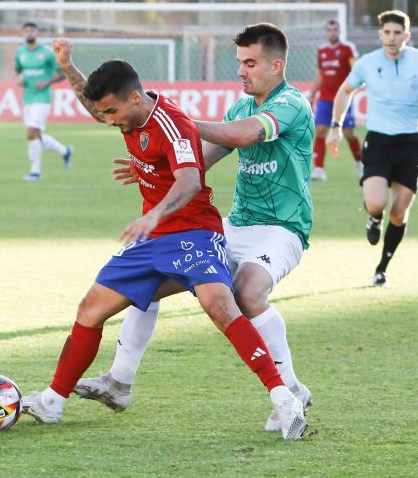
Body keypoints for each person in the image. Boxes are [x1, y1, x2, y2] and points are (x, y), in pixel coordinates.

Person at [21, 46, 307, 440]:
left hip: (193, 232)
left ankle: (285, 396)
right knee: (90, 308)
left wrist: (154, 212)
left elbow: (190, 180)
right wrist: (69, 68)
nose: (107, 120)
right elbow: (94, 104)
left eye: (112, 112)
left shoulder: (170, 122)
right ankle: (52, 401)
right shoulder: (126, 114)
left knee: (221, 305)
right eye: (104, 113)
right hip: (152, 238)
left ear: (134, 98)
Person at [327, 10, 418, 287]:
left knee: (400, 212)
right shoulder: (367, 63)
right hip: (377, 141)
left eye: (397, 33)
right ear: (380, 35)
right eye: (386, 32)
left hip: (410, 144)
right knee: (377, 203)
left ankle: (381, 268)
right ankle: (374, 218)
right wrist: (336, 126)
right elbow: (345, 91)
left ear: (406, 36)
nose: (391, 38)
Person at [14, 21, 73, 181]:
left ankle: (35, 172)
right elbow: (18, 71)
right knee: (35, 135)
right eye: (26, 31)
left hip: (43, 98)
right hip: (28, 98)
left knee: (32, 131)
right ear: (23, 34)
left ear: (36, 32)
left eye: (32, 30)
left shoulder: (46, 52)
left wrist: (47, 82)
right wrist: (19, 79)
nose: (29, 33)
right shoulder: (20, 52)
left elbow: (62, 73)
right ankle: (65, 151)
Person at [310, 19, 362, 181]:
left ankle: (360, 164)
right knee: (320, 131)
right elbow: (320, 74)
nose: (332, 33)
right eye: (329, 30)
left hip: (343, 98)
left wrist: (351, 88)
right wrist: (313, 94)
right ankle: (319, 168)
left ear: (339, 31)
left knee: (348, 133)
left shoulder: (348, 49)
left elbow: (356, 70)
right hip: (325, 99)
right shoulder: (322, 50)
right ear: (326, 32)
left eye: (335, 30)